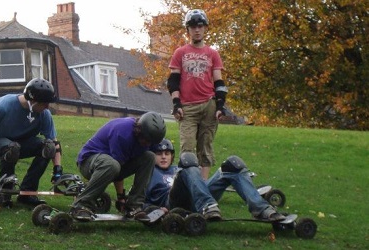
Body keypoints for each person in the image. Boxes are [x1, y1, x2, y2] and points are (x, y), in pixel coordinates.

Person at [0, 78, 63, 208]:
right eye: (45, 103)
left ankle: (27, 193)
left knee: (48, 147)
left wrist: (57, 169)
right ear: (33, 101)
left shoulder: (44, 114)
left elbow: (55, 143)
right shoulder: (4, 105)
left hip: (22, 144)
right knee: (12, 147)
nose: (48, 107)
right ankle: (5, 192)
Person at [145, 139, 286, 221]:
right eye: (159, 154)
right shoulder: (149, 172)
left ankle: (262, 209)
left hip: (199, 198)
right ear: (153, 156)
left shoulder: (179, 168)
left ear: (171, 155)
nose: (163, 157)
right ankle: (208, 206)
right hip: (174, 203)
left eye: (167, 153)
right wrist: (157, 210)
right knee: (188, 160)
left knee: (232, 164)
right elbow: (140, 201)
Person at [70, 112, 167, 222]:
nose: (147, 144)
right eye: (146, 140)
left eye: (151, 142)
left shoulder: (151, 139)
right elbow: (118, 170)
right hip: (88, 162)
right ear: (138, 131)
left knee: (150, 157)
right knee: (112, 165)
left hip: (112, 165)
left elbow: (123, 168)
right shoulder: (122, 133)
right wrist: (120, 197)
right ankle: (81, 204)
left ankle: (134, 206)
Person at [167, 9, 228, 180]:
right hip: (187, 107)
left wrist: (220, 106)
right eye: (193, 26)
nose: (197, 30)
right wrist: (176, 104)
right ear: (188, 30)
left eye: (200, 26)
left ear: (205, 28)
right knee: (187, 147)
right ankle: (189, 184)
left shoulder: (212, 54)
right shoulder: (180, 52)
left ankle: (203, 186)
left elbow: (219, 82)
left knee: (205, 147)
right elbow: (173, 81)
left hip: (209, 104)